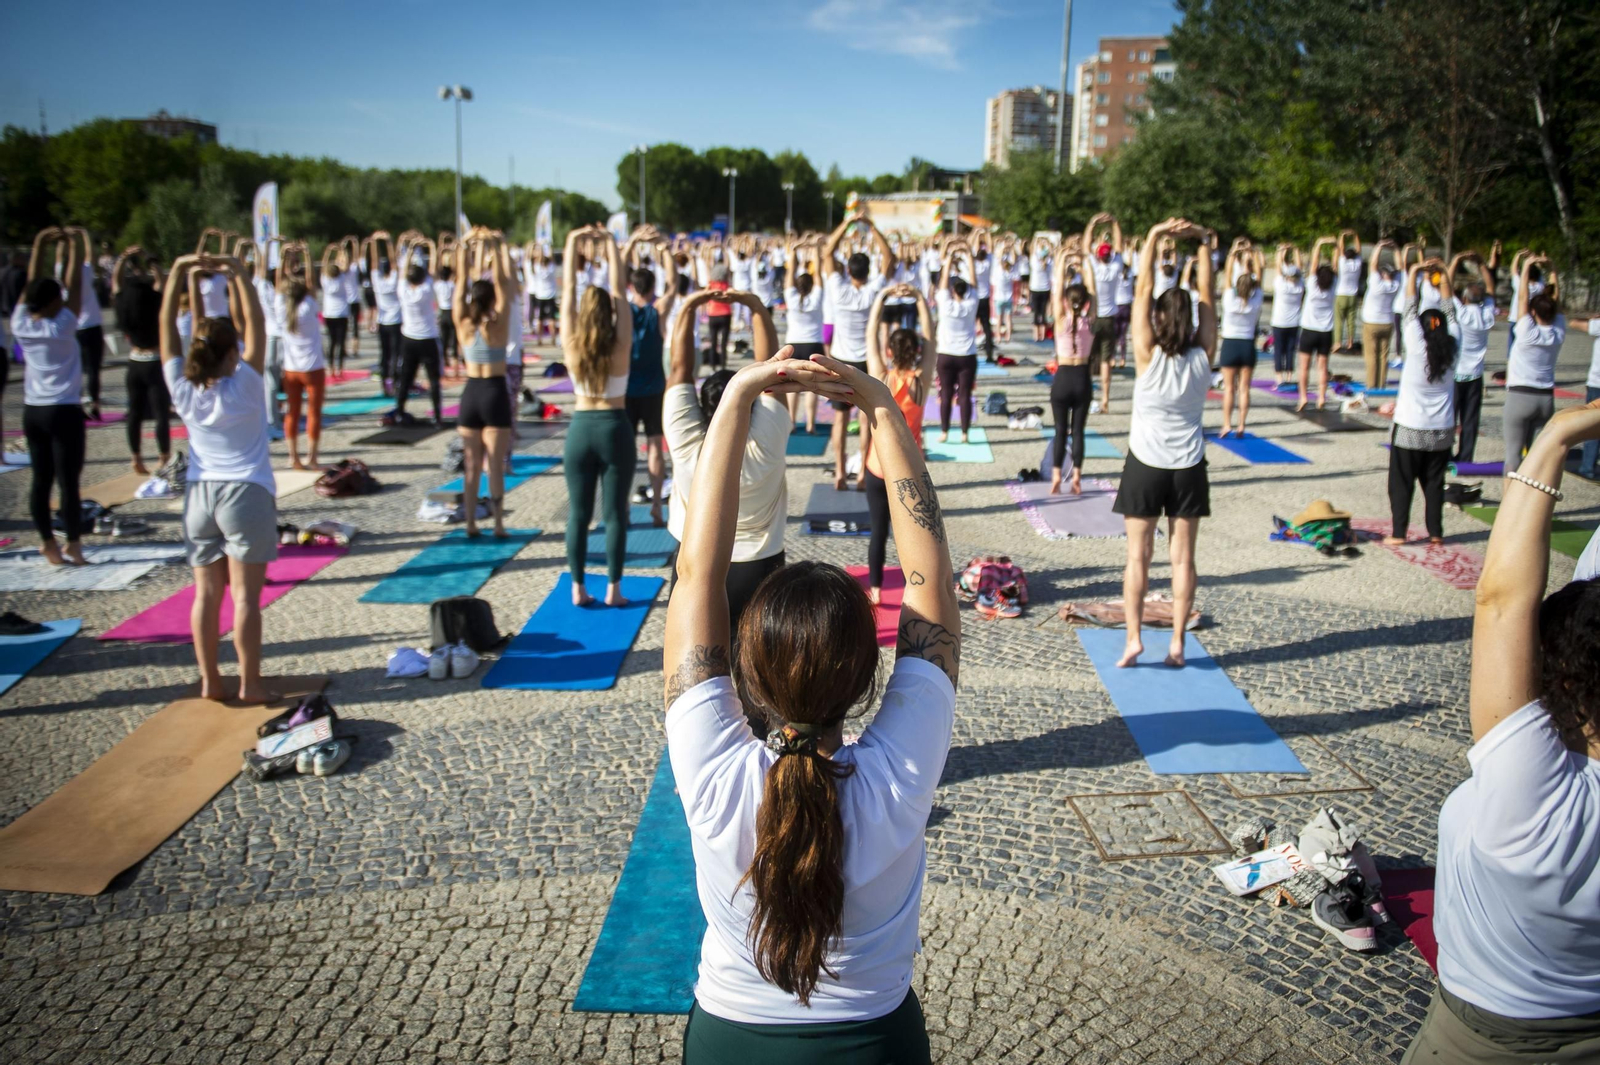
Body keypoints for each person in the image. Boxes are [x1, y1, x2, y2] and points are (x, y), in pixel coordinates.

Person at [663, 344, 958, 1065]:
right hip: (874, 1043)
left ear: (750, 679)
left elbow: (699, 575)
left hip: (731, 1042)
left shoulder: (715, 771)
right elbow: (929, 579)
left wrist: (735, 400)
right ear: (865, 679)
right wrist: (882, 406)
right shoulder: (898, 775)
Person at [1401, 398, 1600, 1065]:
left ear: (1568, 686)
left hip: (1480, 1043)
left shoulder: (1540, 795)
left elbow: (1502, 598)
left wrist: (1557, 436)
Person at [160, 253, 276, 703]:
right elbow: (258, 322)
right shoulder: (246, 382)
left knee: (205, 596)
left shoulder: (182, 386)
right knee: (245, 598)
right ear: (232, 353)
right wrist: (240, 275)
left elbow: (167, 328)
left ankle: (210, 680)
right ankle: (250, 684)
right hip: (245, 493)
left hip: (198, 497)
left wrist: (176, 273)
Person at [1114, 218, 1216, 669]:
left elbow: (1140, 292)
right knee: (1183, 560)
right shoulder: (1203, 354)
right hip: (1188, 465)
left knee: (1138, 556)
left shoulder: (1146, 353)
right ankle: (1176, 642)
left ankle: (1134, 639)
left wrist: (1154, 237)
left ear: (1158, 318)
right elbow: (1209, 298)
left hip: (1146, 464)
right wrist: (1207, 244)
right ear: (1191, 319)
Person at [664, 288, 792, 634]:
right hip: (759, 565)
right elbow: (774, 371)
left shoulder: (687, 443)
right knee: (757, 672)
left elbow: (679, 368)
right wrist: (754, 306)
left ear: (702, 408)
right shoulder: (767, 440)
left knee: (697, 667)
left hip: (695, 562)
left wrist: (689, 306)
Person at [560, 223, 635, 608]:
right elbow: (621, 290)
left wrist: (574, 242)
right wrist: (610, 243)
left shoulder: (571, 343)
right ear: (608, 313)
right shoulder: (621, 343)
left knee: (578, 514)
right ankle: (613, 588)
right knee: (616, 513)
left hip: (580, 428)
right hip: (614, 428)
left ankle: (577, 587)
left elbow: (568, 292)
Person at [15, 228, 88, 566]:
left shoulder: (21, 323)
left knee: (41, 480)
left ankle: (47, 542)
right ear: (52, 302)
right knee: (68, 482)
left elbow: (32, 284)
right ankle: (73, 543)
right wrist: (72, 246)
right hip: (64, 411)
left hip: (34, 411)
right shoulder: (62, 326)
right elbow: (73, 288)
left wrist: (41, 243)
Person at [861, 284, 935, 605]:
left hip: (878, 468)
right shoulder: (921, 380)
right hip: (909, 469)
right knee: (913, 534)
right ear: (916, 351)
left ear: (889, 352)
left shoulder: (880, 378)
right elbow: (932, 339)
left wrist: (881, 299)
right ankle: (914, 584)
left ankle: (876, 590)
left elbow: (869, 336)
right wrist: (919, 299)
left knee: (879, 530)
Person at [1385, 259, 1458, 546]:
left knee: (1401, 484)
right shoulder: (1454, 347)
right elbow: (1450, 310)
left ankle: (1399, 533)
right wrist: (1444, 274)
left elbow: (1409, 309)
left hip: (1410, 428)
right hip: (1442, 430)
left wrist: (1414, 272)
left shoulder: (1416, 346)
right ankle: (1436, 532)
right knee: (1434, 484)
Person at [450, 231, 516, 538]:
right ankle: (499, 524)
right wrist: (497, 246)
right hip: (494, 393)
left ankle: (471, 524)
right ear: (490, 299)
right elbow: (504, 285)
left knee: (472, 467)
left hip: (471, 393)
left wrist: (465, 247)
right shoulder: (498, 324)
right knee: (495, 466)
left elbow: (459, 282)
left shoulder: (463, 324)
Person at [821, 213, 894, 490]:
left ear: (848, 271)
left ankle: (840, 471)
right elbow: (888, 258)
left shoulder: (838, 288)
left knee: (840, 419)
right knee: (865, 419)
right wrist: (872, 227)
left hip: (840, 357)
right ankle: (863, 473)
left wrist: (847, 223)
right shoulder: (874, 289)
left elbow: (828, 252)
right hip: (865, 360)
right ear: (867, 271)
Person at [622, 234, 679, 527]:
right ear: (652, 287)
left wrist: (631, 243)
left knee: (626, 450)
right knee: (655, 447)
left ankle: (624, 508)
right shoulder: (658, 311)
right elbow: (674, 284)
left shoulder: (623, 311)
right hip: (654, 388)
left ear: (633, 286)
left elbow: (618, 279)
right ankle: (657, 504)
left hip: (627, 390)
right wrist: (664, 249)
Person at [111, 246, 171, 475]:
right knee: (160, 413)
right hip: (154, 361)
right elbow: (162, 281)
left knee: (135, 413)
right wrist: (151, 260)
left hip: (135, 360)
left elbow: (116, 283)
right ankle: (163, 456)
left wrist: (123, 257)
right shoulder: (154, 301)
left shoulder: (124, 303)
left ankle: (135, 457)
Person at [1504, 254, 1564, 476]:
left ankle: (1510, 502)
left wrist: (1526, 265)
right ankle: (1531, 503)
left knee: (1513, 455)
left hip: (1520, 396)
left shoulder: (1526, 330)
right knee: (1536, 456)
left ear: (1533, 312)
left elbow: (1521, 298)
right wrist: (1553, 269)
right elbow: (1555, 300)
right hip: (1546, 398)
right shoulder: (1558, 331)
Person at [1047, 245, 1096, 497]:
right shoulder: (1090, 321)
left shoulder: (1060, 320)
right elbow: (1094, 292)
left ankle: (1056, 474)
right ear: (1086, 302)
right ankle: (1076, 476)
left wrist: (1062, 259)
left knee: (1059, 431)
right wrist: (1086, 262)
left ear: (1067, 301)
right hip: (1082, 379)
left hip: (1063, 378)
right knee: (1078, 431)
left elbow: (1056, 290)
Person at [274, 241, 327, 470]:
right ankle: (312, 457)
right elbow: (311, 282)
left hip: (291, 370)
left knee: (291, 413)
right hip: (313, 368)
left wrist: (284, 256)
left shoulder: (281, 306)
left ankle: (292, 456)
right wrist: (306, 253)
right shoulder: (309, 305)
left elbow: (278, 283)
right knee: (314, 413)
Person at [1451, 252, 1496, 466]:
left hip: (1457, 373)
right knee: (1470, 420)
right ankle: (1466, 456)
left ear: (1465, 297)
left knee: (1450, 417)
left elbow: (1447, 287)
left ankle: (1444, 452)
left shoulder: (1461, 313)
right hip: (1476, 375)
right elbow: (1491, 289)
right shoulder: (1486, 315)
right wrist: (1481, 264)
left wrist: (1456, 261)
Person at [933, 240, 980, 445]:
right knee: (965, 395)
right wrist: (969, 256)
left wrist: (949, 256)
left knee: (945, 394)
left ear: (954, 290)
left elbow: (942, 282)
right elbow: (975, 282)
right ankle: (964, 433)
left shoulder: (945, 304)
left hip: (946, 355)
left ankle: (944, 431)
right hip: (967, 355)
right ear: (966, 290)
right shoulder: (972, 302)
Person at [395, 234, 444, 425]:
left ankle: (399, 411)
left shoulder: (403, 290)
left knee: (406, 377)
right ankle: (438, 416)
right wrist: (430, 245)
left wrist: (408, 252)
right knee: (433, 380)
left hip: (409, 339)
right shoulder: (427, 290)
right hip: (428, 338)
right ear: (424, 278)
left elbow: (402, 272)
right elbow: (432, 269)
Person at [1217, 242, 1264, 438]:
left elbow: (1227, 275)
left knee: (1229, 389)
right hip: (1247, 345)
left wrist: (1232, 252)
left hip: (1230, 344)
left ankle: (1227, 424)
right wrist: (1252, 255)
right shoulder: (1256, 299)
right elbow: (1259, 277)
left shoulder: (1229, 298)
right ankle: (1241, 425)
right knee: (1244, 389)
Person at [782, 237, 825, 435]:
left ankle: (790, 421)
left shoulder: (791, 297)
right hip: (813, 345)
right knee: (813, 387)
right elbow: (818, 276)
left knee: (792, 387)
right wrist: (816, 250)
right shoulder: (816, 297)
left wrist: (795, 249)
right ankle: (811, 425)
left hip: (793, 345)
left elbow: (790, 272)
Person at [1084, 214, 1125, 410]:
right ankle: (1105, 399)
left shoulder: (1094, 266)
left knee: (1089, 359)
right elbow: (1119, 246)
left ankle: (1088, 396)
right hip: (1109, 318)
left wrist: (1092, 224)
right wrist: (1115, 223)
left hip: (1093, 317)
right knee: (1106, 361)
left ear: (1098, 255)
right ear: (1110, 256)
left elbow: (1085, 247)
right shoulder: (1115, 267)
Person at [1296, 236, 1338, 412]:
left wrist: (1319, 244)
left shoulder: (1313, 284)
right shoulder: (1333, 286)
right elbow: (1335, 267)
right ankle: (1321, 397)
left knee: (1304, 367)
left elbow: (1313, 265)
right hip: (1325, 332)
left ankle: (1304, 397)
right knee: (1322, 368)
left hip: (1309, 331)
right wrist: (1337, 248)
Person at [1360, 240, 1402, 390]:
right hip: (1387, 322)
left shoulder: (1376, 283)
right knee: (1383, 356)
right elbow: (1400, 268)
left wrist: (1378, 247)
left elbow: (1372, 263)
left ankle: (1372, 384)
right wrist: (1396, 250)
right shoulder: (1396, 284)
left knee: (1371, 355)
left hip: (1371, 322)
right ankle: (1381, 383)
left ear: (1383, 274)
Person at [367, 233, 404, 392]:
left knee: (385, 354)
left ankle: (384, 383)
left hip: (383, 323)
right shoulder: (394, 281)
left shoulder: (378, 281)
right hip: (395, 322)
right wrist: (389, 242)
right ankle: (395, 381)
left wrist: (375, 243)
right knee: (396, 354)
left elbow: (374, 262)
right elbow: (394, 262)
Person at [1268, 244, 1303, 389]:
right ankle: (1289, 376)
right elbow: (1299, 267)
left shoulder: (1281, 284)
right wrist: (1295, 250)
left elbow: (1278, 267)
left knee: (1278, 350)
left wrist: (1281, 252)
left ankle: (1279, 378)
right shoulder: (1300, 286)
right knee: (1290, 350)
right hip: (1294, 323)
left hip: (1279, 322)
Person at [319, 243, 354, 377]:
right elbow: (346, 265)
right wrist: (342, 251)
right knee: (341, 342)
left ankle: (331, 368)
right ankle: (339, 368)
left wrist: (328, 251)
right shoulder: (342, 279)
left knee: (332, 342)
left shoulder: (325, 280)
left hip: (329, 314)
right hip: (342, 314)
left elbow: (323, 266)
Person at [1333, 230, 1363, 354]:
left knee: (1339, 320)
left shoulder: (1343, 262)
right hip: (1353, 295)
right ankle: (1350, 342)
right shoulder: (1357, 263)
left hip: (1341, 294)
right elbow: (1359, 249)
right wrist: (1356, 235)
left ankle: (1338, 343)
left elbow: (1340, 249)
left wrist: (1342, 236)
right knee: (1351, 321)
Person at [1027, 235, 1053, 343]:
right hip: (1042, 289)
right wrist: (1046, 243)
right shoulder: (1047, 262)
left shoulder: (1036, 261)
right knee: (1041, 313)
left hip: (1038, 288)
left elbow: (1033, 251)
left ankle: (1038, 335)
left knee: (1038, 313)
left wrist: (1037, 240)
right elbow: (1050, 253)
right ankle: (1040, 335)